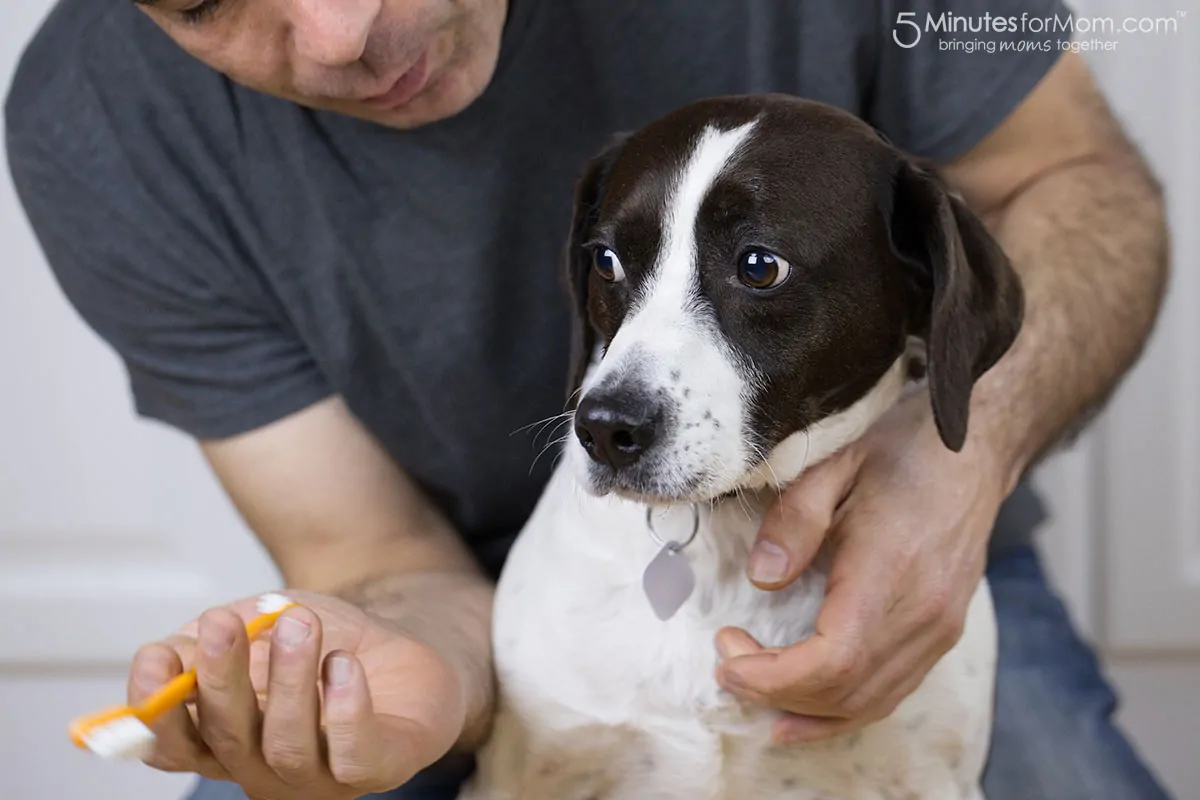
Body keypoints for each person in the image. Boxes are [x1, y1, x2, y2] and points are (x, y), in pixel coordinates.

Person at [3, 0, 1173, 798]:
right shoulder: (87, 117)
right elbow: (364, 551)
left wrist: (962, 457)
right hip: (494, 589)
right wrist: (420, 680)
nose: (340, 30)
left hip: (925, 516)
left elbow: (1073, 174)